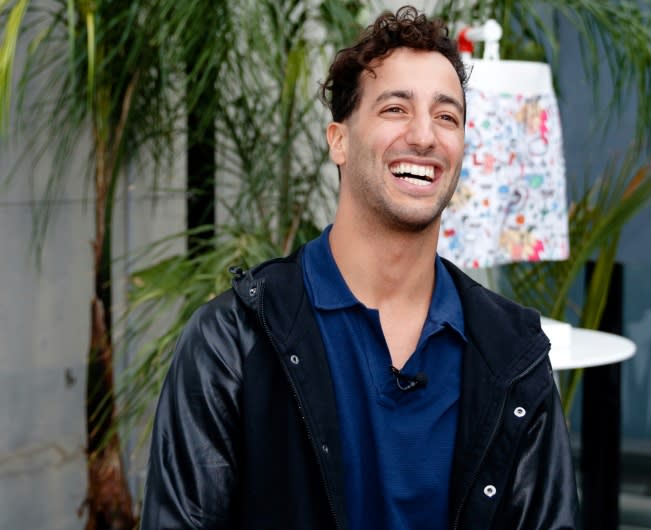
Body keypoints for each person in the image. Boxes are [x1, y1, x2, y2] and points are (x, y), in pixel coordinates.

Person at [140, 5, 579, 530]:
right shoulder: (234, 343)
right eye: (396, 108)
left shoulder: (514, 356)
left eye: (447, 116)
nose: (425, 136)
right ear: (339, 141)